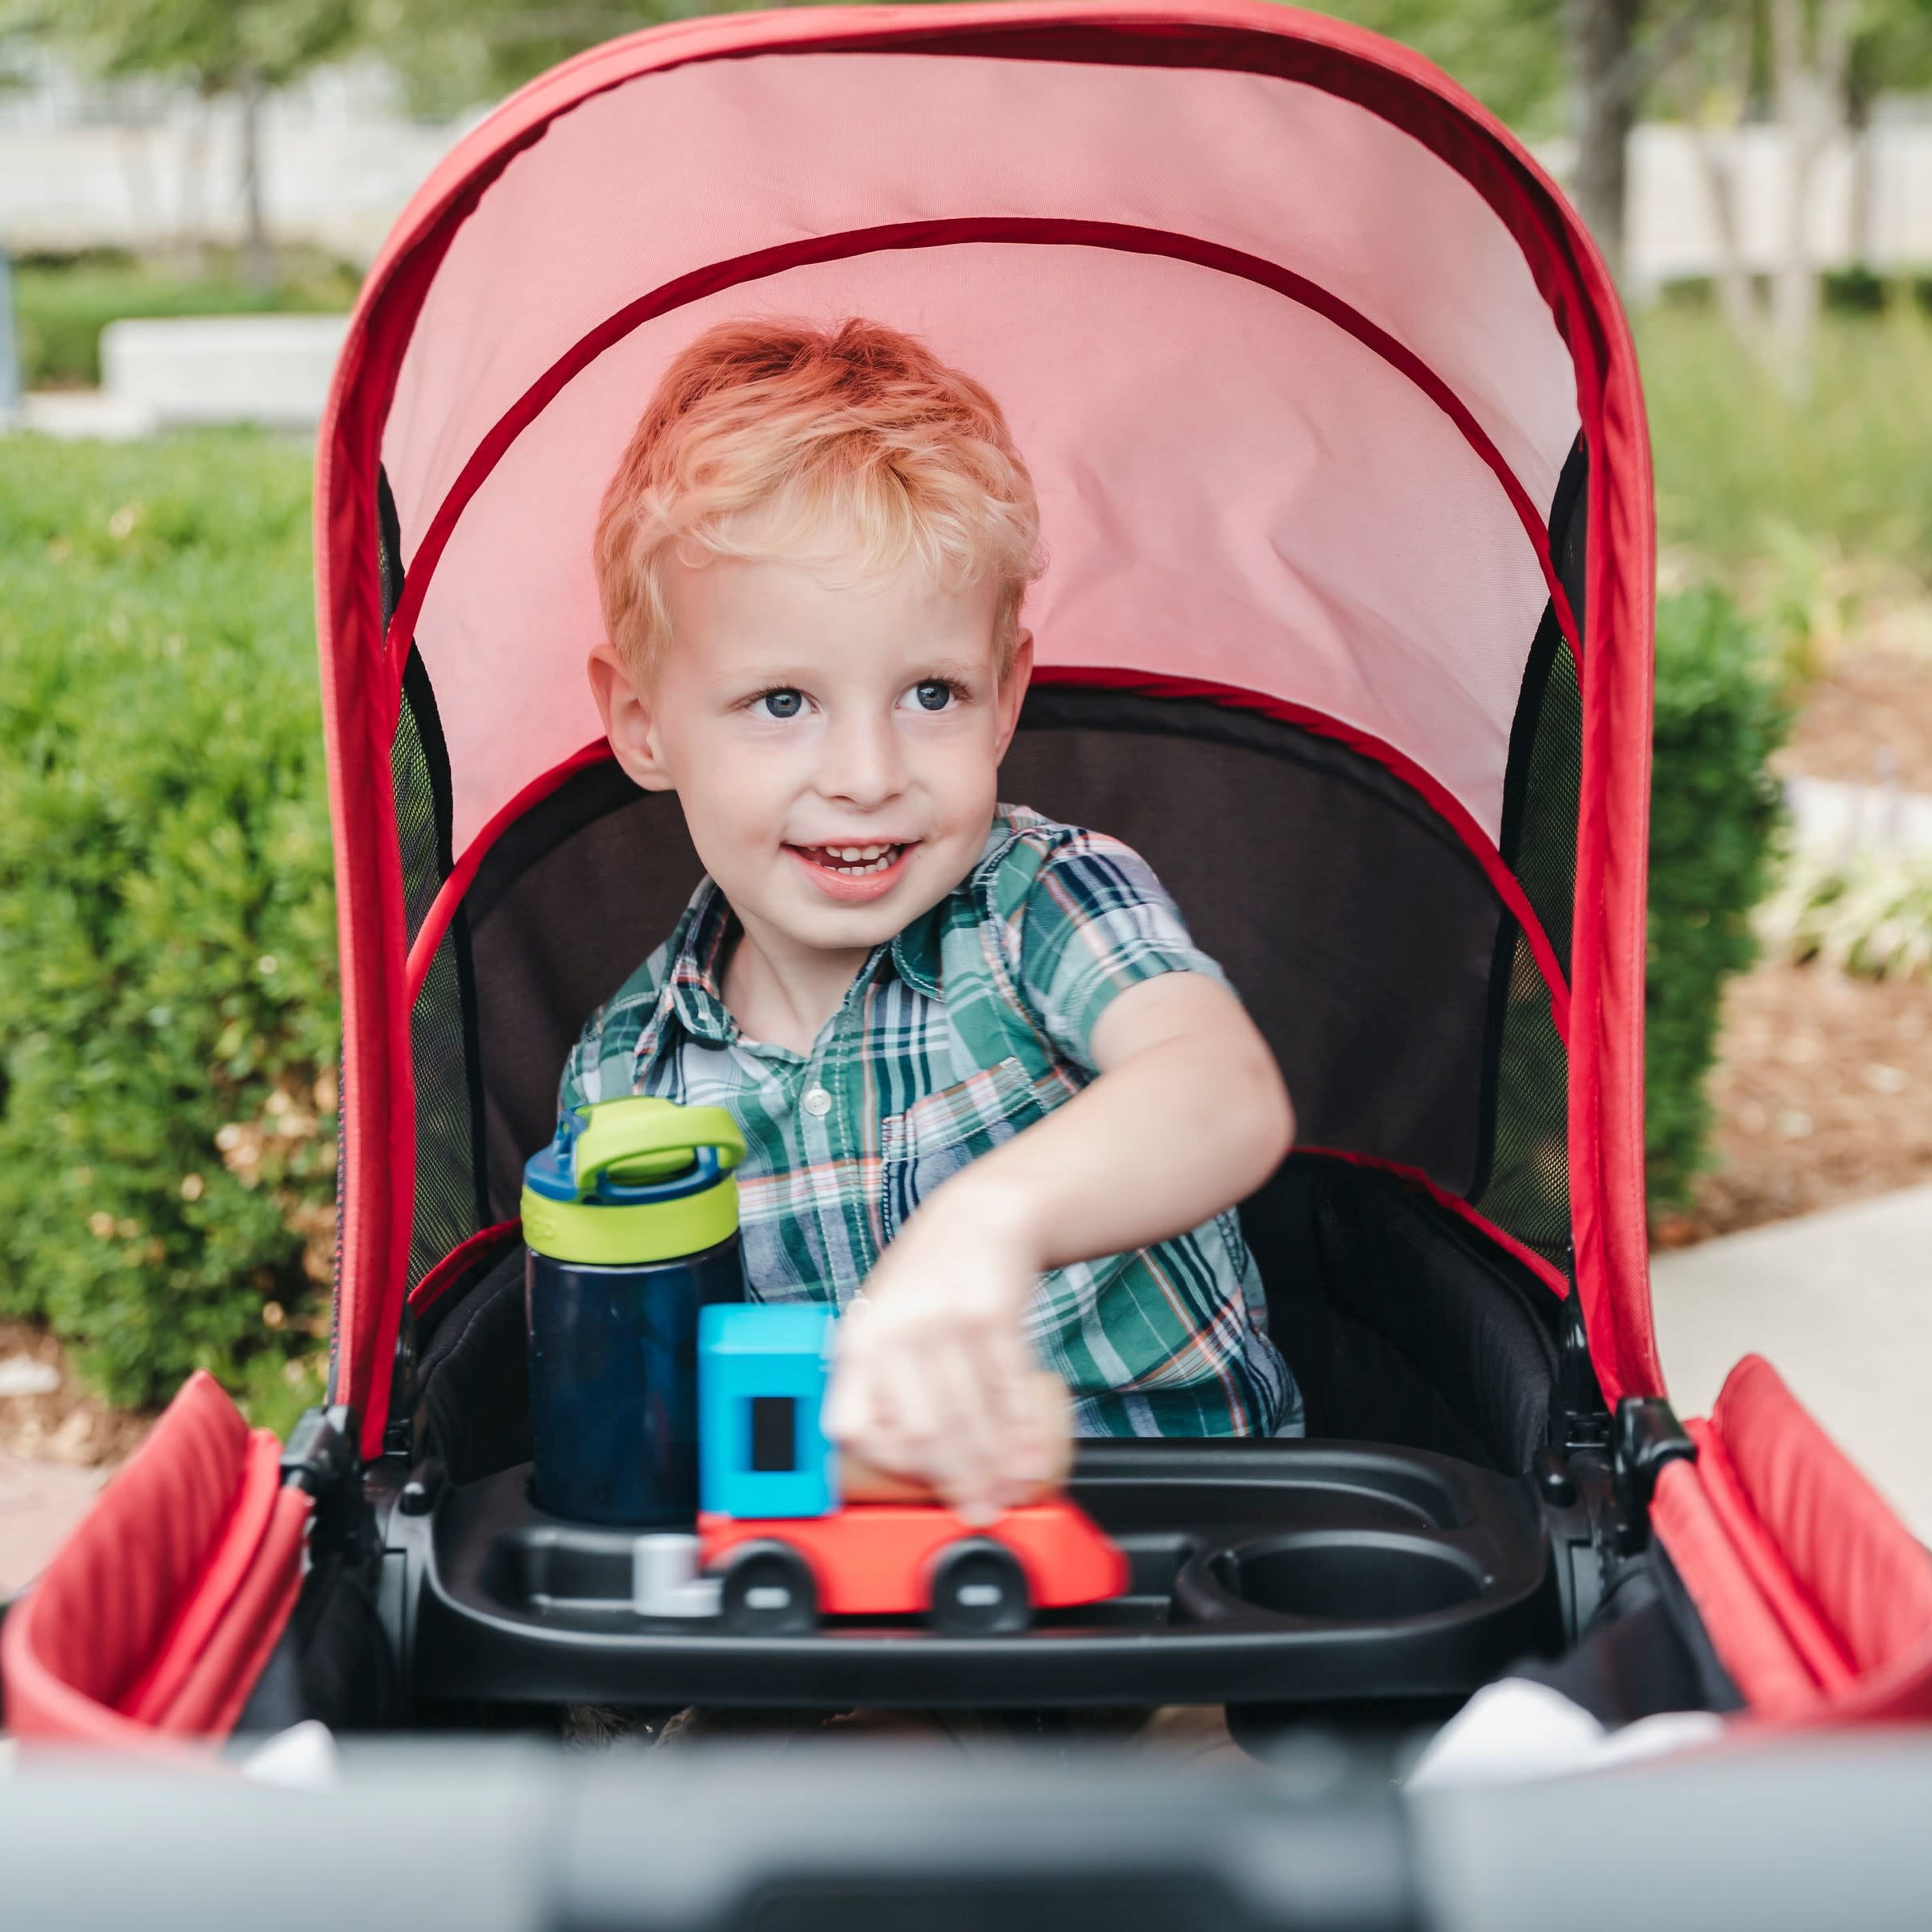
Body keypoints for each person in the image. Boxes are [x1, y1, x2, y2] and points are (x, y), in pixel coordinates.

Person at [561, 315, 1301, 1525]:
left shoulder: (1042, 904)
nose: (865, 771)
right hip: (866, 1618)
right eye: (783, 700)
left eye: (932, 693)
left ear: (1007, 696)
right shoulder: (628, 1079)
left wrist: (991, 1225)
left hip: (1187, 1581)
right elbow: (668, 1422)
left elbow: (1222, 1092)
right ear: (642, 721)